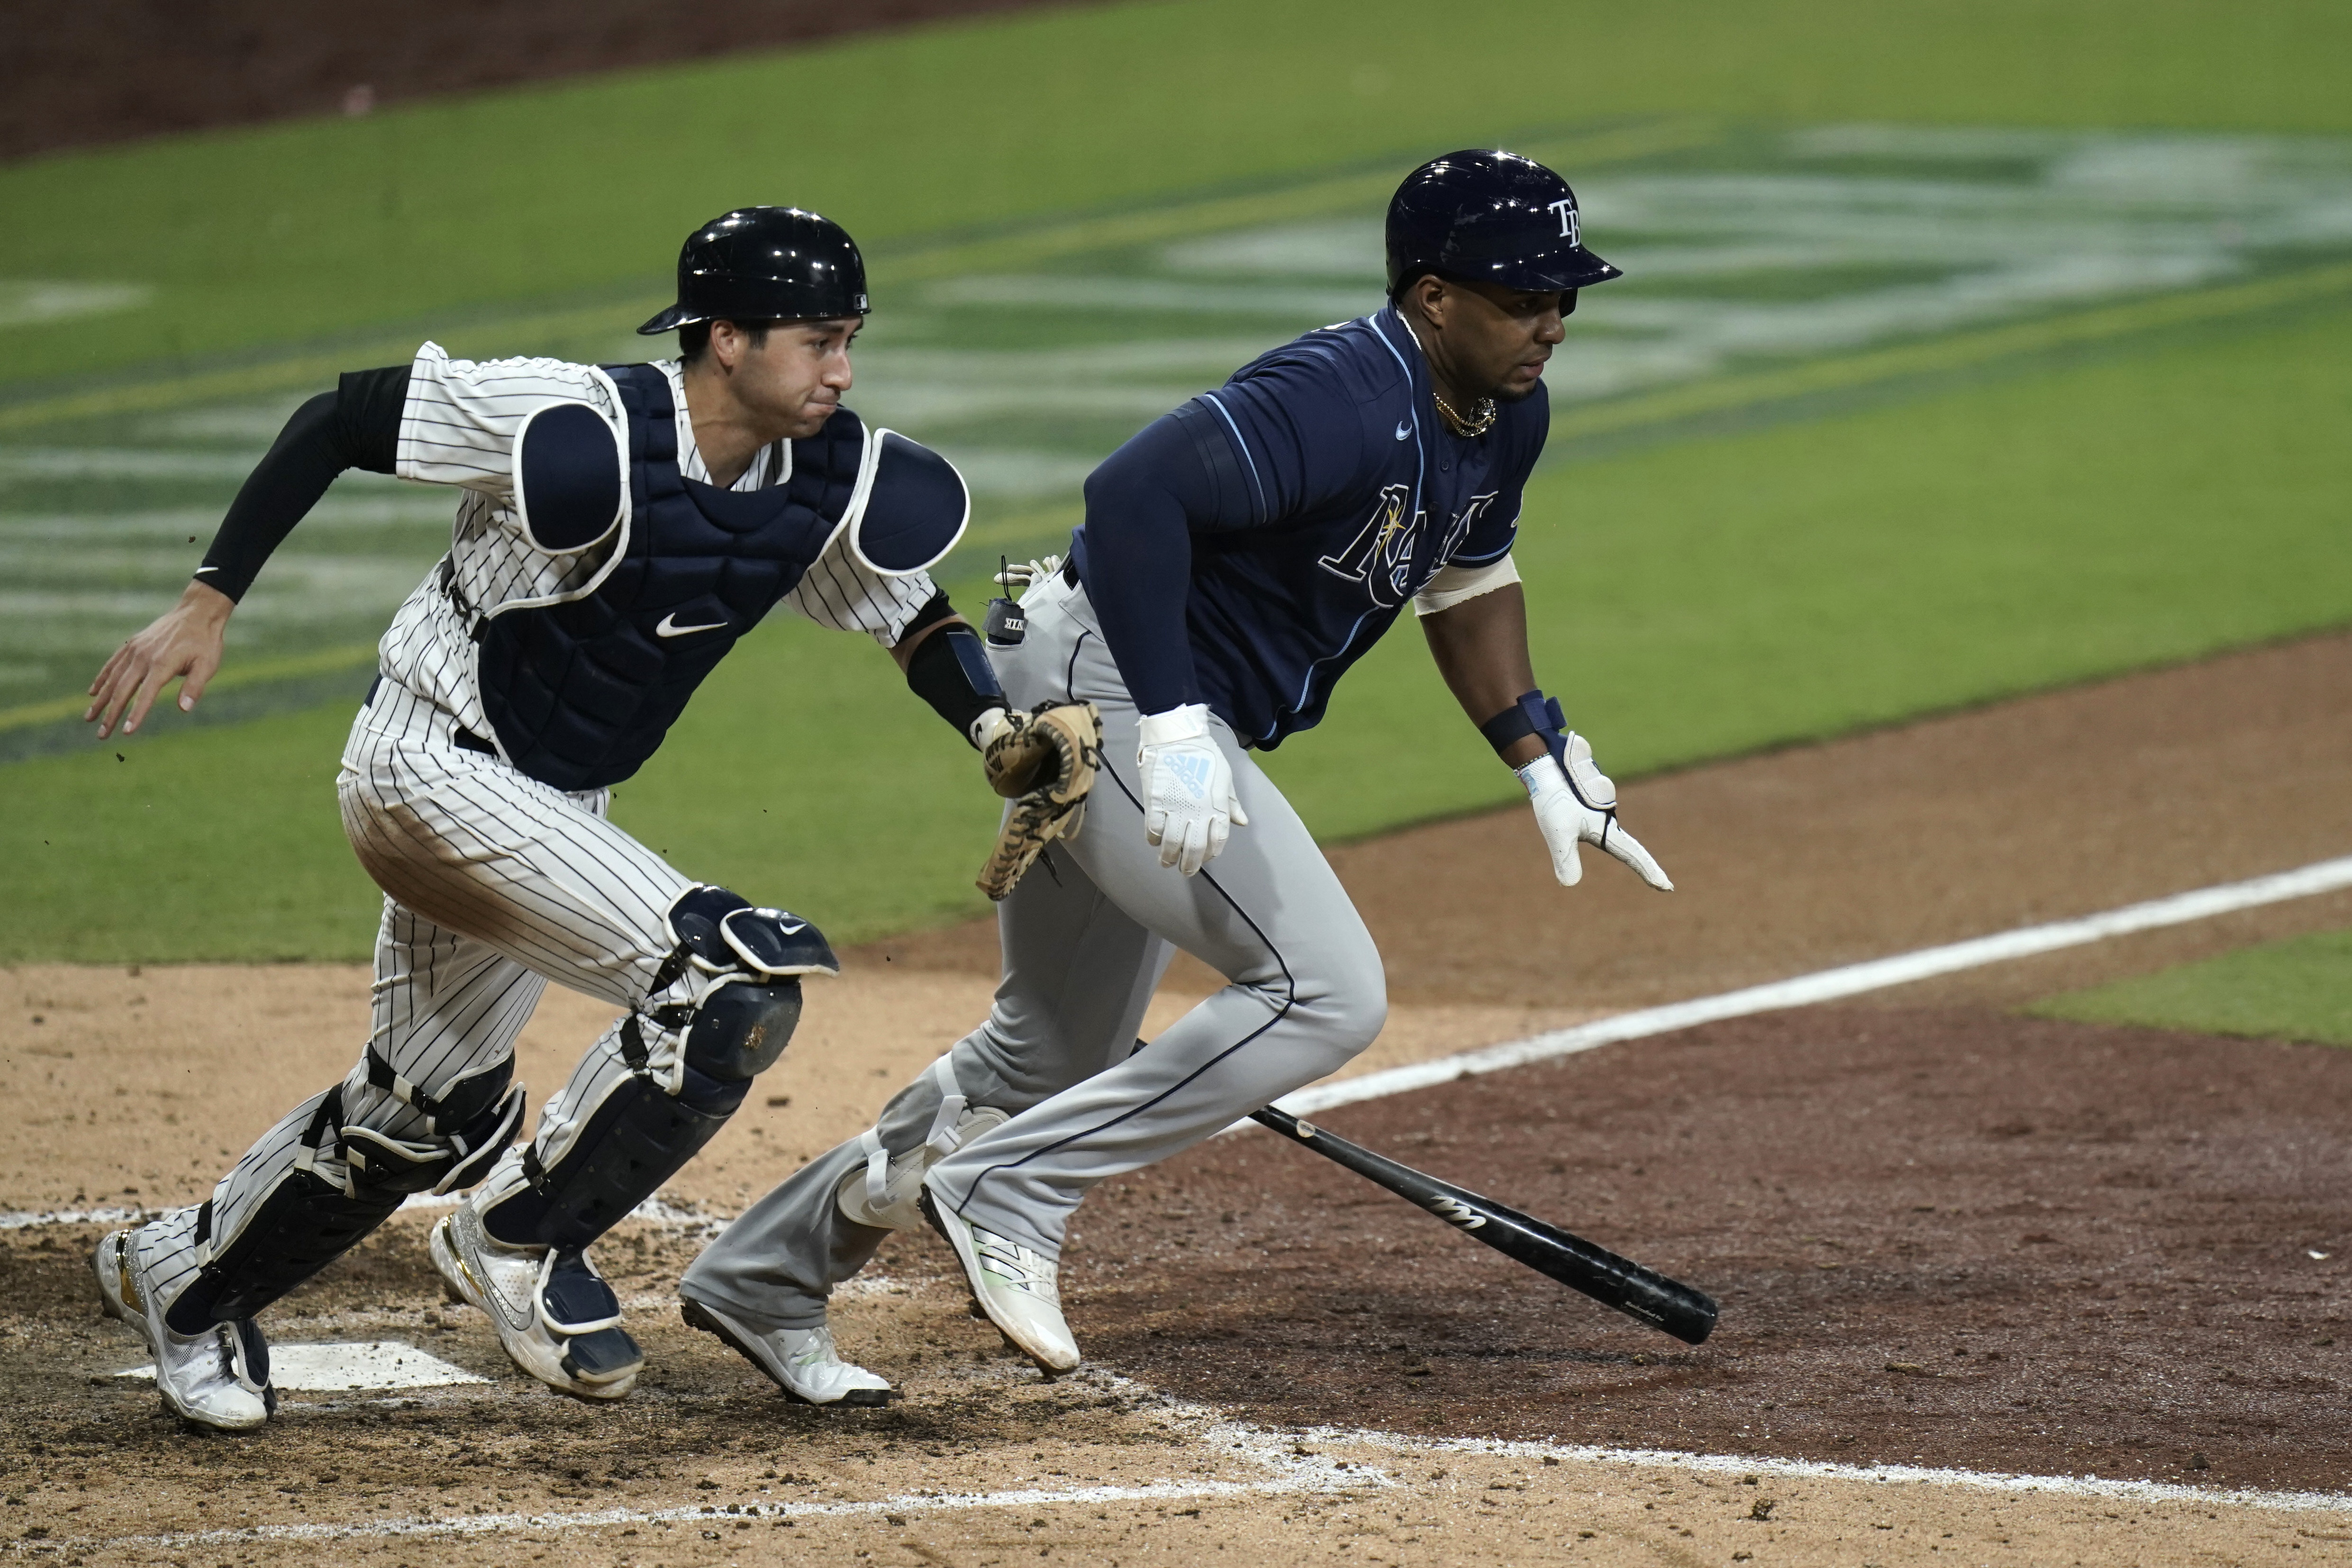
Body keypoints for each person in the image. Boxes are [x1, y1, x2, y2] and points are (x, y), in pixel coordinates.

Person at [676, 151, 1674, 1387]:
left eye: (1563, 298)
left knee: (1048, 1051)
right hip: (1112, 683)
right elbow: (1131, 496)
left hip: (1122, 681)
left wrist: (1535, 745)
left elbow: (1466, 576)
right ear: (1430, 297)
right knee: (1325, 990)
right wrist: (1181, 725)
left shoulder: (1502, 414)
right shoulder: (1342, 396)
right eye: (1524, 298)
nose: (1552, 323)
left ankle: (764, 1272)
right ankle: (1010, 1192)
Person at [84, 206, 1018, 1429]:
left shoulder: (824, 473)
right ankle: (520, 1241)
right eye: (817, 339)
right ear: (724, 338)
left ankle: (185, 1281)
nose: (841, 369)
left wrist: (1000, 735)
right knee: (723, 983)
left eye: (850, 339)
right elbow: (340, 420)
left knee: (425, 1113)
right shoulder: (569, 416)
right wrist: (209, 600)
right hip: (425, 769)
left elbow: (910, 612)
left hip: (550, 804)